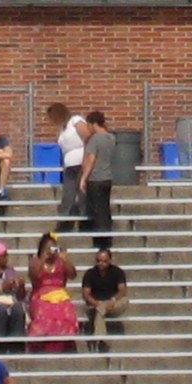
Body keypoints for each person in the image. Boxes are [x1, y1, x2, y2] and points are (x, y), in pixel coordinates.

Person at [26, 233, 78, 353]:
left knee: (65, 308)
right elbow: (33, 277)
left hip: (60, 295)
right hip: (40, 295)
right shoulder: (35, 261)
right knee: (45, 310)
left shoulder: (60, 261)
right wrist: (43, 258)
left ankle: (63, 343)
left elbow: (73, 275)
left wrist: (65, 260)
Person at [46, 103, 89, 231]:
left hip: (81, 162)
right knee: (68, 194)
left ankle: (85, 221)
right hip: (69, 165)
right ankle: (64, 221)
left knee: (82, 194)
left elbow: (88, 137)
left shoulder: (75, 121)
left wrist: (87, 159)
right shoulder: (62, 129)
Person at [81, 248, 129, 353]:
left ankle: (99, 339)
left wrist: (113, 300)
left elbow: (122, 291)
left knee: (125, 300)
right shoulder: (90, 274)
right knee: (99, 310)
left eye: (104, 261)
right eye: (98, 261)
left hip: (112, 303)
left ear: (110, 260)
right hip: (96, 303)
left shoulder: (118, 272)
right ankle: (101, 340)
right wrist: (97, 303)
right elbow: (86, 294)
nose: (101, 263)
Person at [79, 111, 115, 250]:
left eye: (88, 125)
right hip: (107, 177)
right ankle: (107, 237)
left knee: (97, 211)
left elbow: (91, 160)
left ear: (94, 124)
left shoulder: (95, 139)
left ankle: (101, 241)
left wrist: (83, 178)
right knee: (105, 209)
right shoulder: (111, 138)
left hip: (96, 178)